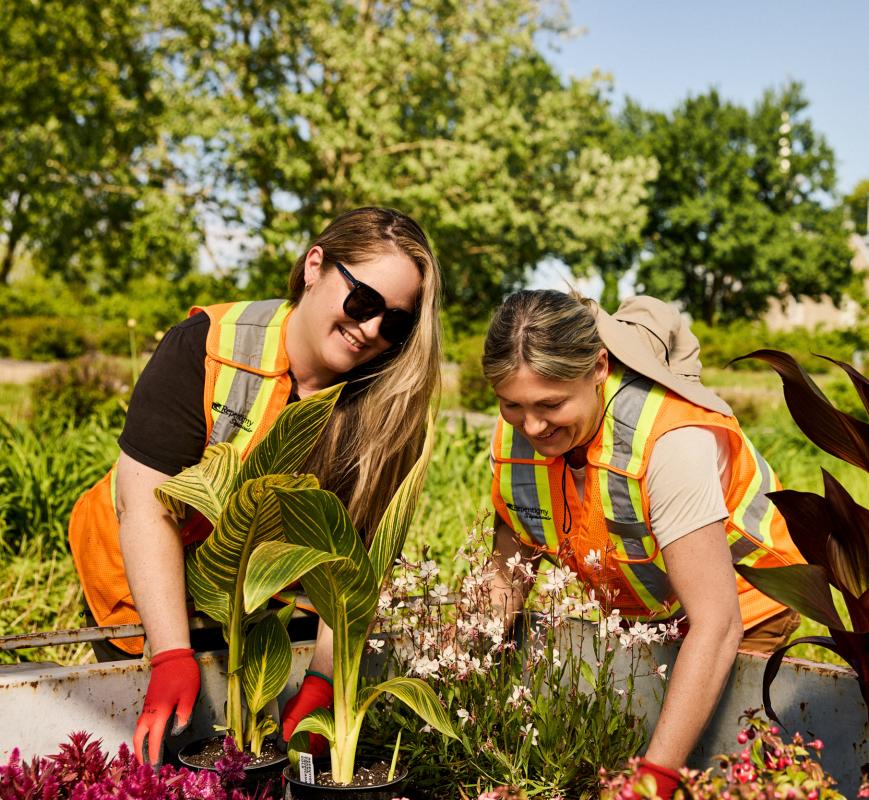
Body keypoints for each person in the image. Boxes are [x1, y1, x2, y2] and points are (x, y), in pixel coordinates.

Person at [67, 207, 442, 765]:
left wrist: (323, 681)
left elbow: (358, 563)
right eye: (362, 301)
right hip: (143, 577)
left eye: (395, 322)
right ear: (315, 266)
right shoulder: (207, 346)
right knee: (145, 756)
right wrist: (171, 653)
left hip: (259, 606)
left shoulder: (385, 408)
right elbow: (143, 506)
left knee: (239, 740)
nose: (369, 330)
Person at [482, 290, 803, 800]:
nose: (533, 426)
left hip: (746, 613)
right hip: (653, 617)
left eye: (551, 405)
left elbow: (718, 625)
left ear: (598, 368)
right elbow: (505, 581)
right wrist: (456, 670)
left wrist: (653, 780)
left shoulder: (671, 440)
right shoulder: (520, 431)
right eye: (512, 405)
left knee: (715, 774)